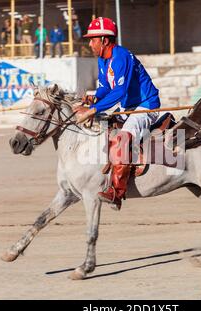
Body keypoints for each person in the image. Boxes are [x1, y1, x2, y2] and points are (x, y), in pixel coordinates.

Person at [74, 17, 161, 209]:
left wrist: (93, 110)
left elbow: (119, 92)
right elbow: (105, 87)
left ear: (105, 40)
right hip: (127, 107)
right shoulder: (102, 59)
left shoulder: (121, 57)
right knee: (102, 128)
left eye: (92, 39)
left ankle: (117, 192)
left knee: (122, 138)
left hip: (146, 106)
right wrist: (93, 98)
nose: (89, 44)